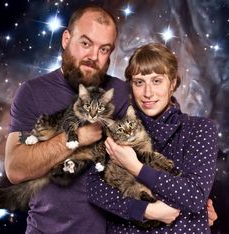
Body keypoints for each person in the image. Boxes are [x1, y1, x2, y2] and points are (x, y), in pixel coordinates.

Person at [4, 5, 217, 233]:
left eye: (104, 49)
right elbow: (15, 169)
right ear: (66, 38)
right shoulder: (32, 92)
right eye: (85, 43)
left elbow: (160, 145)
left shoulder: (124, 92)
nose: (93, 56)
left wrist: (196, 202)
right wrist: (76, 138)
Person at [87, 43, 218, 233]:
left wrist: (134, 167)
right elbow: (93, 187)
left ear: (172, 83)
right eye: (139, 82)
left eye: (157, 81)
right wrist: (145, 210)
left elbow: (194, 197)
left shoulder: (200, 129)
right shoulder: (117, 127)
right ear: (131, 86)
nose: (148, 93)